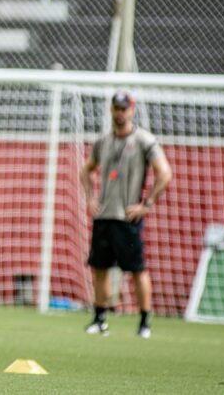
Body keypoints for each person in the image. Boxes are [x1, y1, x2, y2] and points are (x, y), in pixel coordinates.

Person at [80, 90, 172, 339]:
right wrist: (89, 198)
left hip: (128, 218)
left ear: (131, 111)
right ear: (111, 109)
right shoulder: (103, 141)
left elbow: (164, 173)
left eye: (124, 108)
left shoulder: (144, 140)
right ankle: (100, 319)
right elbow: (86, 170)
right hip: (104, 216)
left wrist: (147, 204)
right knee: (99, 268)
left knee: (136, 269)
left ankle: (144, 322)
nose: (119, 113)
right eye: (116, 108)